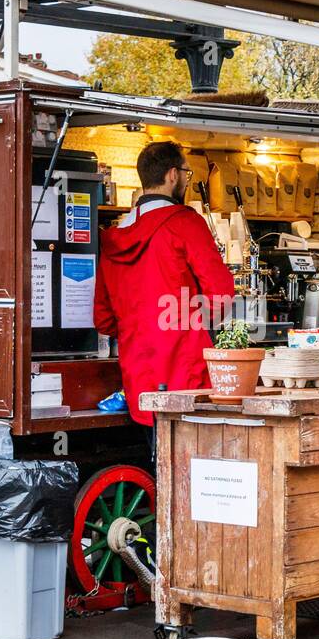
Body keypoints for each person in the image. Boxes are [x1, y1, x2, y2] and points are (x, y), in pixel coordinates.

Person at [95, 141, 234, 433]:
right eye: (186, 173)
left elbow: (103, 319)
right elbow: (220, 293)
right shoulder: (185, 223)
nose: (186, 180)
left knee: (160, 467)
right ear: (173, 175)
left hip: (138, 378)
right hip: (188, 374)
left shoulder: (114, 237)